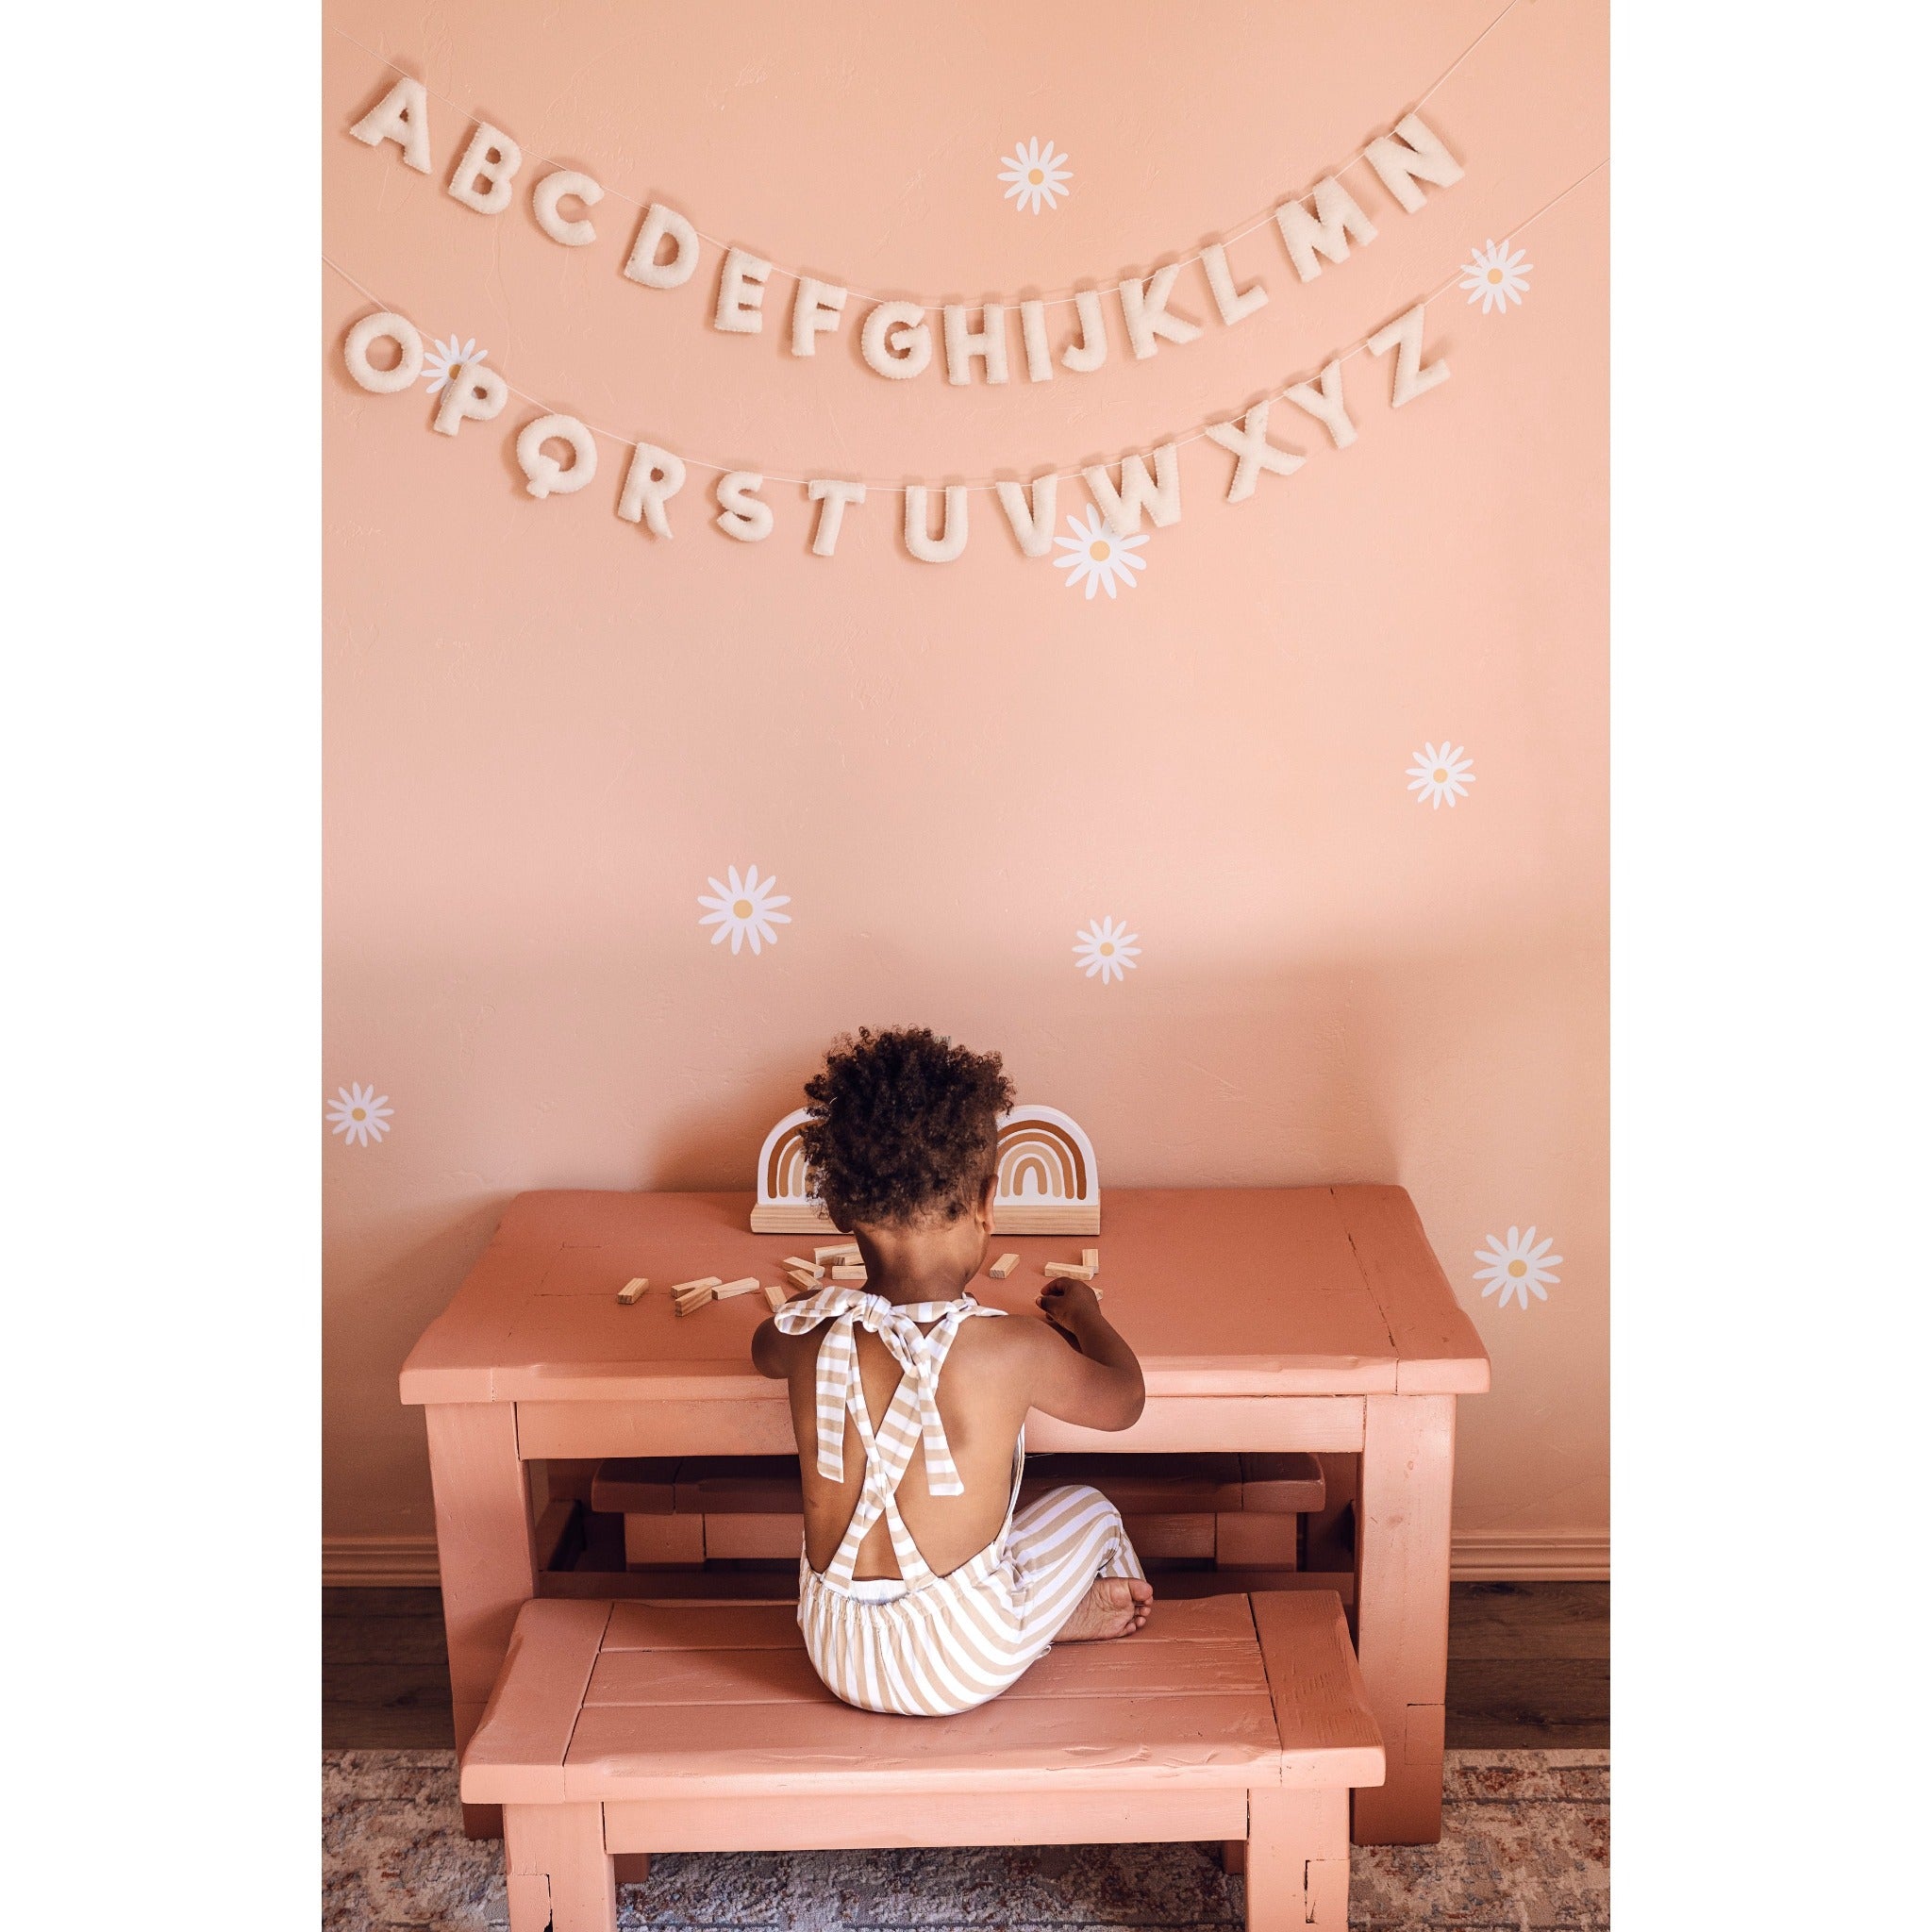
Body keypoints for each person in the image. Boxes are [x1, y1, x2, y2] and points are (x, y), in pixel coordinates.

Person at [751, 1024, 1153, 1716]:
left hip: (834, 1649)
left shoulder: (809, 1329)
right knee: (1092, 1508)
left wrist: (814, 1306)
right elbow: (1124, 1401)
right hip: (958, 1661)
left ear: (843, 1208)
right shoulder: (1014, 1348)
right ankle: (1065, 1620)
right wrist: (1085, 1317)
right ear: (986, 1203)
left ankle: (1035, 1621)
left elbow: (763, 1349)